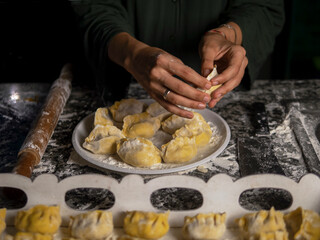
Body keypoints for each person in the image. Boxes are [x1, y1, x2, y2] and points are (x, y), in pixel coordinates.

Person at [71, 0, 285, 118]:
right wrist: (132, 54)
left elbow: (263, 6)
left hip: (220, 98)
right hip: (112, 87)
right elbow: (91, 6)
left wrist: (227, 35)